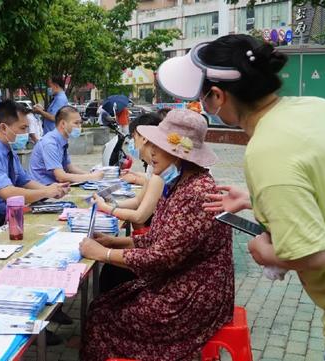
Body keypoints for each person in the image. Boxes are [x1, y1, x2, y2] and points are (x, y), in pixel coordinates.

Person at [157, 34, 325, 353]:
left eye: (202, 99)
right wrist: (254, 199)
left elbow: (312, 252)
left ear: (218, 97)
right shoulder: (313, 107)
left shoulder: (267, 150)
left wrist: (271, 255)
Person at [79, 109, 234, 361]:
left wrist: (104, 253)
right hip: (179, 283)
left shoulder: (196, 193)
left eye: (156, 147)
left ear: (177, 153)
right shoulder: (178, 184)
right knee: (104, 304)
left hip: (193, 298)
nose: (150, 153)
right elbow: (158, 237)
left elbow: (161, 257)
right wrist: (113, 241)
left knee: (101, 318)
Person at [0, 100, 70, 236]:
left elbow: (25, 181)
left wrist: (54, 189)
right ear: (4, 128)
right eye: (23, 128)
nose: (27, 133)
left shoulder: (8, 151)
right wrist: (46, 192)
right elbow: (9, 194)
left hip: (2, 215)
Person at [90, 113, 164, 293]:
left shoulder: (162, 172)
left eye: (134, 137)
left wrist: (108, 208)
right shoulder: (158, 168)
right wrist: (114, 241)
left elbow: (141, 216)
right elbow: (140, 201)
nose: (133, 143)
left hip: (171, 279)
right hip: (158, 251)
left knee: (111, 273)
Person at [29, 106, 104, 184]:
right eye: (76, 123)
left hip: (54, 187)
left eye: (80, 123)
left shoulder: (61, 141)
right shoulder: (50, 144)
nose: (79, 127)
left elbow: (69, 167)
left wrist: (90, 174)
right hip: (44, 190)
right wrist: (91, 177)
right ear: (63, 124)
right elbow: (61, 176)